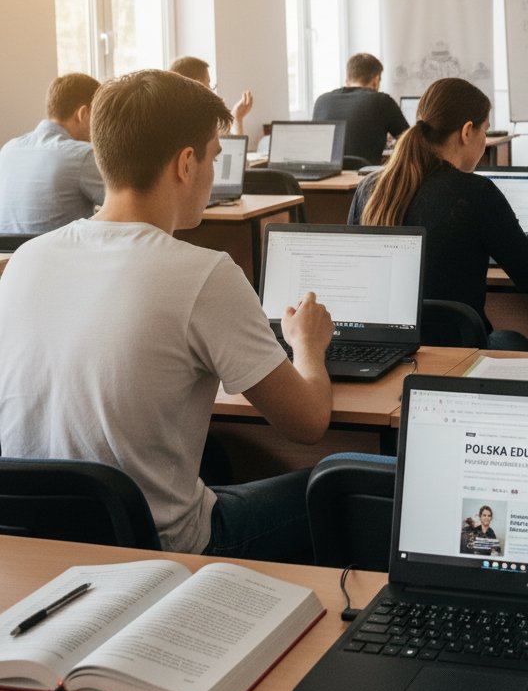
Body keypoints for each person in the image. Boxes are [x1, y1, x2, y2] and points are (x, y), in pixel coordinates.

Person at [0, 70, 334, 561]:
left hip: (29, 540)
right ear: (185, 163)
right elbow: (308, 423)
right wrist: (307, 344)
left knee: (219, 455)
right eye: (214, 157)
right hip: (155, 548)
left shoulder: (26, 259)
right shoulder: (203, 274)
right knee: (337, 480)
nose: (214, 173)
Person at [349, 77, 528, 348]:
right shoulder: (476, 192)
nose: (485, 140)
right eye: (485, 131)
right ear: (467, 132)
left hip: (381, 349)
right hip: (458, 351)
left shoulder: (369, 188)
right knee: (514, 341)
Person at [0, 73, 105, 234]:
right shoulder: (82, 155)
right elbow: (129, 205)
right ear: (82, 114)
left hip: (11, 258)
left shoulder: (8, 149)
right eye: (97, 115)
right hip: (60, 256)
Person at [312, 52, 409, 165]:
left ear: (347, 80)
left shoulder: (322, 101)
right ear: (376, 81)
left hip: (327, 179)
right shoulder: (382, 101)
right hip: (365, 178)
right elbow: (411, 140)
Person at [168, 55, 253, 136]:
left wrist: (236, 117)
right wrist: (237, 119)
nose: (211, 90)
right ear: (198, 85)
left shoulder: (171, 121)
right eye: (208, 83)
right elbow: (236, 151)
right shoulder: (198, 125)